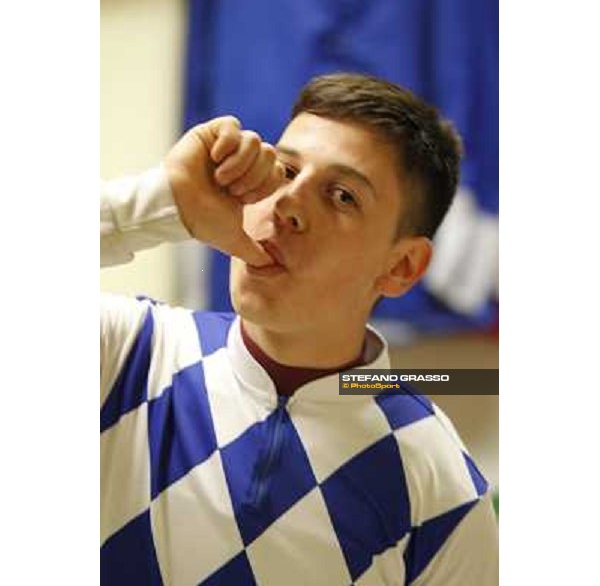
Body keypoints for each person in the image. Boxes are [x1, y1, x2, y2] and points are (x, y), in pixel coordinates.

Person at [100, 73, 498, 585]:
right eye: (284, 169)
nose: (287, 203)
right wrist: (158, 202)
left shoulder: (442, 488)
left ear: (402, 267)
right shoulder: (129, 351)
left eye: (341, 196)